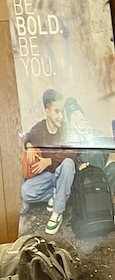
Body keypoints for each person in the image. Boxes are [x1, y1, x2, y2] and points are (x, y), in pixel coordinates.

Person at [19, 88, 74, 234]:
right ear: (47, 110)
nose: (61, 116)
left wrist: (48, 161)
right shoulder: (39, 128)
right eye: (57, 111)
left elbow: (72, 154)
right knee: (26, 192)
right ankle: (56, 194)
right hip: (49, 178)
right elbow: (26, 136)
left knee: (68, 163)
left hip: (62, 174)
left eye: (62, 111)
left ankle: (57, 212)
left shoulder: (66, 130)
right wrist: (29, 146)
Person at [64, 96, 115, 199]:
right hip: (84, 179)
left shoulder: (96, 134)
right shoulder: (70, 140)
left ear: (84, 118)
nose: (78, 120)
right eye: (74, 118)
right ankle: (88, 206)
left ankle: (107, 204)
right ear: (71, 124)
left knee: (114, 168)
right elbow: (66, 161)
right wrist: (78, 166)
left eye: (79, 115)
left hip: (100, 176)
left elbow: (114, 145)